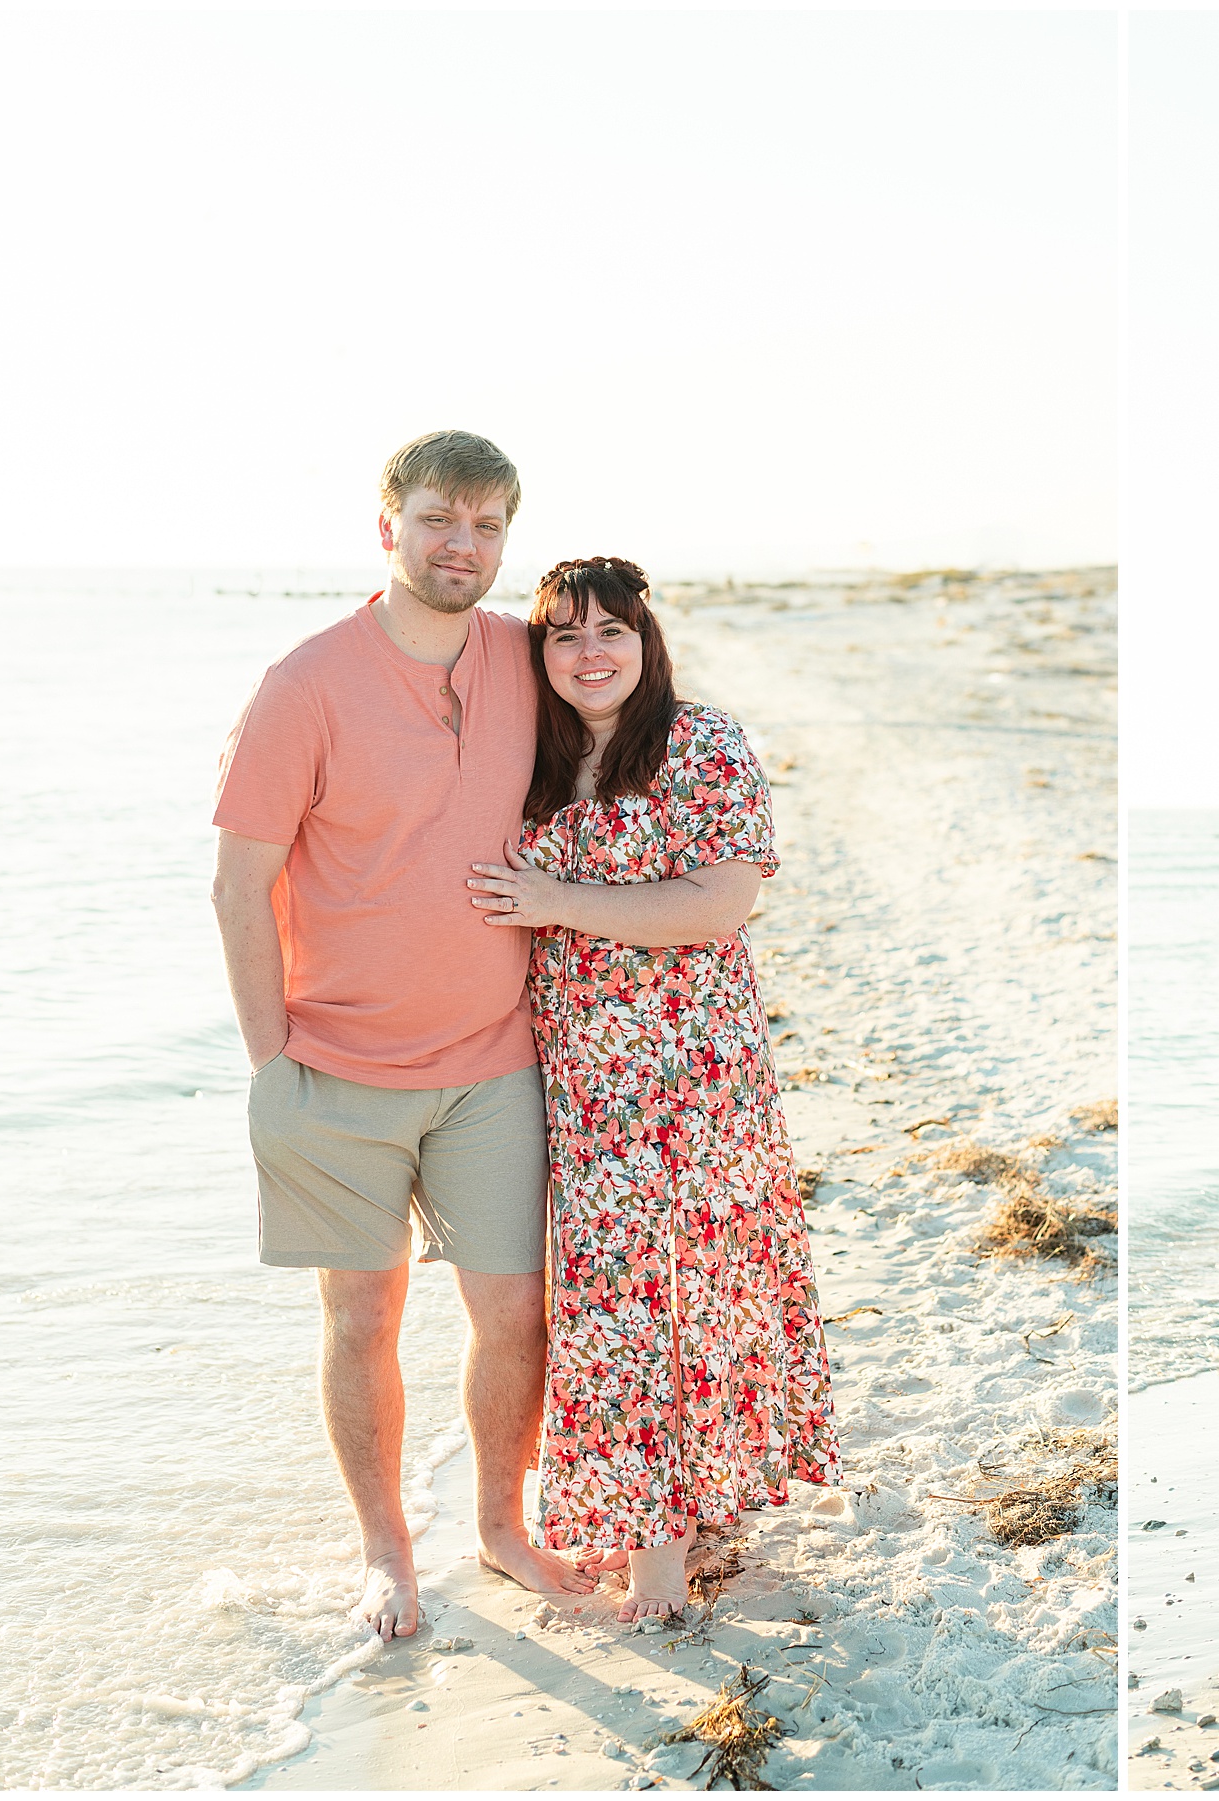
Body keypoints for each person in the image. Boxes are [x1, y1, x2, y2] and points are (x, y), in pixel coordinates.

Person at [212, 431, 597, 1642]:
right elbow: (238, 885)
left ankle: (499, 1526)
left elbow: (628, 718)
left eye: (485, 528)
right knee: (361, 1320)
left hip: (493, 1064)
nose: (460, 547)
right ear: (387, 526)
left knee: (516, 1315)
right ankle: (387, 1556)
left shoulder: (523, 659)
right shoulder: (305, 683)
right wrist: (275, 1061)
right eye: (438, 519)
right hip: (333, 1072)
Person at [465, 556, 843, 1622]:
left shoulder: (701, 742)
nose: (590, 654)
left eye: (611, 632)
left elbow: (720, 904)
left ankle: (661, 1557)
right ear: (539, 655)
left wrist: (554, 898)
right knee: (614, 1303)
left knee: (683, 1296)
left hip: (693, 1074)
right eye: (564, 636)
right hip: (581, 1079)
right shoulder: (529, 759)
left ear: (647, 639)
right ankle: (667, 1515)